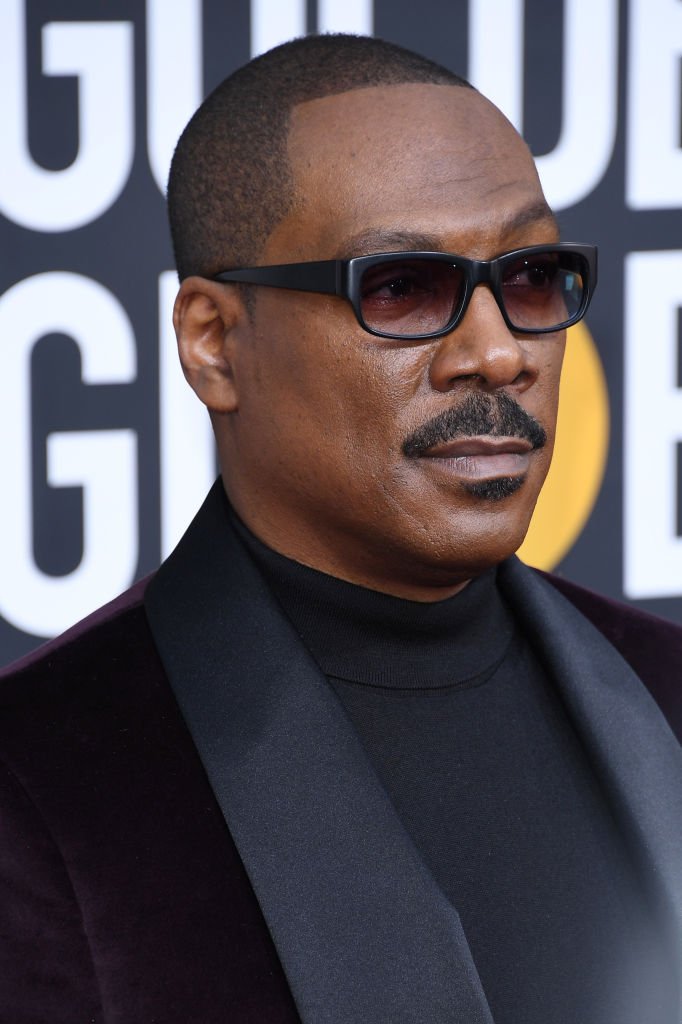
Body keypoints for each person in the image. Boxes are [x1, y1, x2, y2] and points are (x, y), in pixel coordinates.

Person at [0, 33, 680, 1024]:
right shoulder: (36, 788)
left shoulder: (667, 688)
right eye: (403, 288)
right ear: (213, 344)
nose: (495, 354)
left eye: (530, 278)